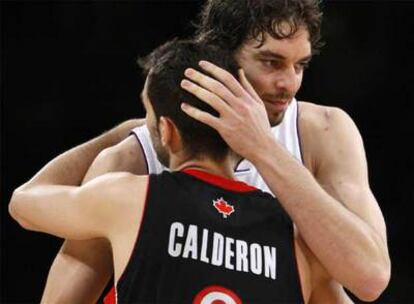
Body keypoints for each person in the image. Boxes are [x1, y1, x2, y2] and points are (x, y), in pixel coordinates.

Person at [41, 0, 391, 303]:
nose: (289, 84)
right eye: (271, 62)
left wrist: (263, 148)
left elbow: (369, 277)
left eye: (299, 65)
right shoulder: (138, 155)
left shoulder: (323, 131)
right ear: (220, 57)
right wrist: (125, 133)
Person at [10, 40, 309, 303]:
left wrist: (116, 136)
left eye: (148, 118)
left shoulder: (130, 198)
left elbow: (23, 201)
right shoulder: (291, 236)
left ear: (167, 131)